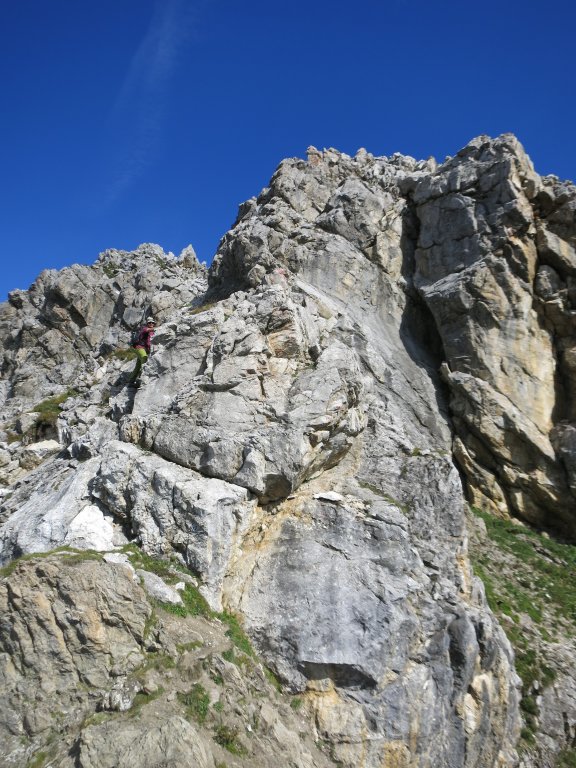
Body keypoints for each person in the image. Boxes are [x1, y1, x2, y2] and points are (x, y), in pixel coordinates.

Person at [129, 317, 156, 385]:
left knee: (138, 365)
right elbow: (147, 330)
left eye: (152, 323)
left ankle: (131, 381)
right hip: (139, 347)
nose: (151, 324)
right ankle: (142, 378)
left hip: (144, 349)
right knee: (144, 358)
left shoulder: (152, 333)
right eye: (149, 323)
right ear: (147, 324)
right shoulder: (144, 329)